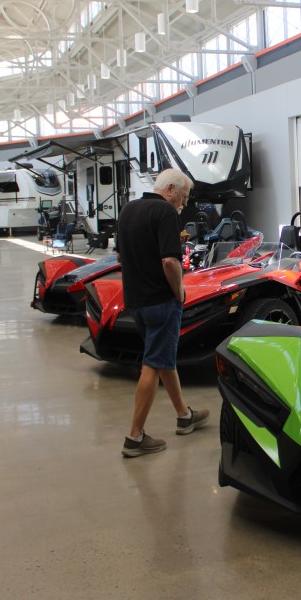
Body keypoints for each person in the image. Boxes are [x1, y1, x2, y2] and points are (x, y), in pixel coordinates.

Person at [117, 168, 208, 458]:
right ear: (169, 189)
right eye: (182, 197)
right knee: (152, 364)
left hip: (136, 302)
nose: (183, 203)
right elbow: (170, 261)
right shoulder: (166, 213)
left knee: (162, 356)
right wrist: (178, 292)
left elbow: (119, 254)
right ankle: (135, 437)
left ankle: (184, 415)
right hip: (161, 301)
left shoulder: (129, 209)